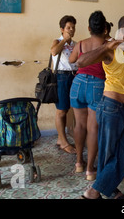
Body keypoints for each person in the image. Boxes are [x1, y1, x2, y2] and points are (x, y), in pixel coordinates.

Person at [78, 15, 124, 199]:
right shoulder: (111, 49)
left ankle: (103, 189)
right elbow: (81, 62)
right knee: (109, 154)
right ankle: (96, 192)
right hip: (111, 108)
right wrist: (105, 46)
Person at [68, 11, 109, 179]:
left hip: (78, 84)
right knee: (93, 128)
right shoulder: (108, 45)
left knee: (79, 125)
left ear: (89, 28)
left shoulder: (81, 44)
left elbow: (72, 60)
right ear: (105, 29)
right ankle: (90, 170)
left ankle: (79, 162)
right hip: (97, 86)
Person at [50, 15, 78, 154]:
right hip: (61, 77)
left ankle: (62, 138)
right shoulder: (58, 41)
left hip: (74, 76)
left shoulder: (76, 44)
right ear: (62, 29)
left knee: (69, 110)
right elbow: (54, 52)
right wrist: (65, 40)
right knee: (61, 110)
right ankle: (62, 140)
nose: (71, 30)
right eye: (68, 28)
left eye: (73, 27)